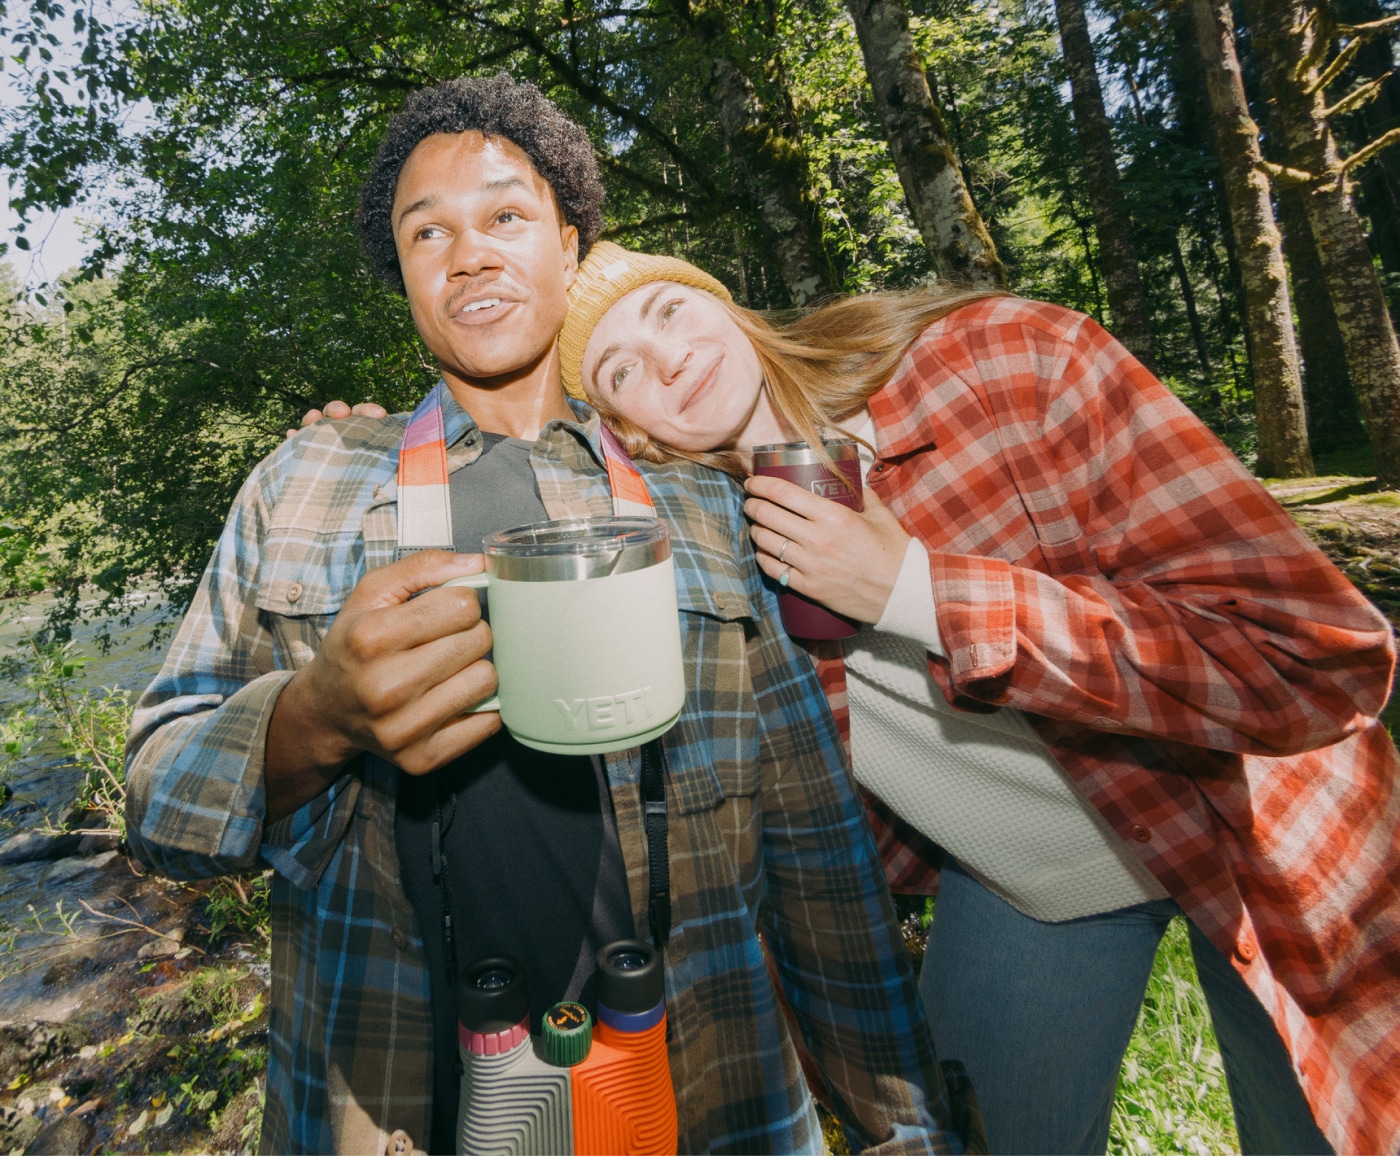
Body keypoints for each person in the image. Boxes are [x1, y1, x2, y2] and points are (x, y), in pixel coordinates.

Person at [124, 77, 963, 1155]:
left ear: (568, 250)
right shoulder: (306, 481)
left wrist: (903, 1126)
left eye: (505, 217)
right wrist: (310, 719)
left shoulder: (699, 498)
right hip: (392, 1092)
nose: (468, 252)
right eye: (427, 233)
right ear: (405, 278)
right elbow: (158, 796)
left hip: (707, 1090)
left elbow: (813, 841)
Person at [544, 241, 1400, 1155]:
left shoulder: (1006, 361)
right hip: (1029, 886)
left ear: (727, 305)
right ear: (626, 430)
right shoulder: (707, 548)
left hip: (1251, 829)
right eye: (620, 368)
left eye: (669, 310)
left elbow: (1317, 657)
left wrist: (913, 589)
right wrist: (371, 446)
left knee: (1324, 1130)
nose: (667, 356)